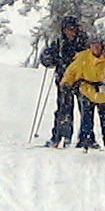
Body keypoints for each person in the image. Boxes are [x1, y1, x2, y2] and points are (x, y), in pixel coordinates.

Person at [62, 35, 105, 150]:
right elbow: (71, 71)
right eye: (93, 44)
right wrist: (66, 83)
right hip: (87, 92)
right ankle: (85, 145)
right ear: (90, 46)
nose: (95, 47)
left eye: (98, 44)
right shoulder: (83, 57)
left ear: (102, 45)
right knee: (86, 121)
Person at [37, 15, 86, 147]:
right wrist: (47, 59)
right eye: (68, 29)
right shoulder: (58, 43)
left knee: (85, 110)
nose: (71, 32)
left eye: (73, 29)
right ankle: (60, 136)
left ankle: (85, 138)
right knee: (63, 110)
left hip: (82, 80)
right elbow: (47, 59)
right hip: (63, 81)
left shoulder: (83, 42)